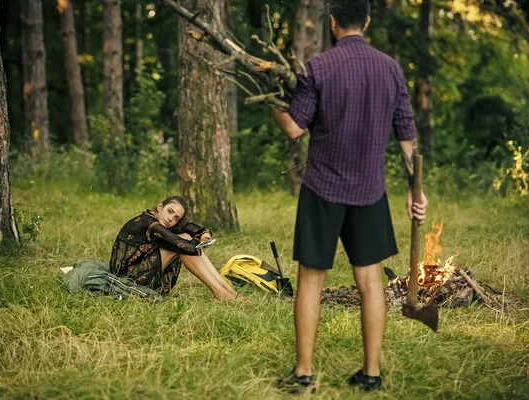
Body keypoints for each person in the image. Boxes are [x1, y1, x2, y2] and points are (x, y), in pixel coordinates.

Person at [271, 0, 428, 393]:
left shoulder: (318, 68)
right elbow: (407, 135)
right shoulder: (391, 68)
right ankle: (371, 375)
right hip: (370, 191)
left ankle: (304, 374)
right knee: (370, 283)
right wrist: (415, 188)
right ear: (368, 21)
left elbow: (293, 128)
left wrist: (273, 99)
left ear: (334, 23)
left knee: (311, 281)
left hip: (322, 188)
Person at [109, 195, 246, 302]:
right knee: (181, 245)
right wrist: (197, 240)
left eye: (176, 218)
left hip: (141, 271)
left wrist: (204, 233)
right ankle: (219, 292)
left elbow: (189, 227)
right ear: (160, 206)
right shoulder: (150, 224)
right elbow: (183, 245)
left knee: (185, 237)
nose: (170, 219)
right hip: (126, 277)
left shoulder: (162, 221)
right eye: (169, 211)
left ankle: (228, 291)